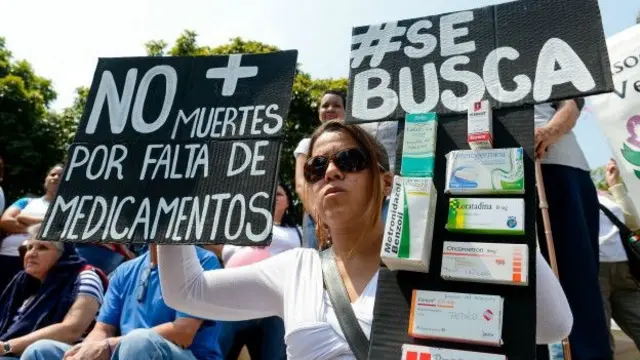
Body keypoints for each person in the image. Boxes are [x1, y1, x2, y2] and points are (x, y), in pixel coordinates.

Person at [158, 120, 573, 360]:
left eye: (349, 160)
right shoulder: (297, 269)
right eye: (316, 168)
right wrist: (167, 195)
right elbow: (186, 291)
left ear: (388, 182)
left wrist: (499, 214)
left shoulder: (442, 256)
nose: (331, 172)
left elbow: (554, 326)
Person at [22, 245, 223, 360]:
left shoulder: (205, 261)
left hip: (186, 355)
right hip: (124, 350)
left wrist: (109, 346)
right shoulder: (126, 269)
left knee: (138, 341)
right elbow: (103, 328)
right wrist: (88, 350)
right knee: (40, 351)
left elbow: (184, 333)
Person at [534, 99, 611, 360]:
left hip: (554, 163)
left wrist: (549, 132)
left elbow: (571, 101)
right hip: (489, 166)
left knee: (575, 278)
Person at [206, 182, 301, 360]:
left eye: (279, 194)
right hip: (230, 301)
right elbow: (206, 240)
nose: (273, 197)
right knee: (216, 355)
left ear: (288, 202)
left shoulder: (297, 232)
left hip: (272, 306)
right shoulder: (236, 229)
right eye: (268, 194)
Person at [0, 224, 106, 359]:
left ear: (63, 254)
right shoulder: (22, 283)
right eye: (29, 247)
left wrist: (7, 347)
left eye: (42, 247)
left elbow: (72, 330)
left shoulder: (85, 277)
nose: (32, 253)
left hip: (63, 353)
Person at [597, 158, 640, 354]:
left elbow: (632, 221)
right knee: (601, 336)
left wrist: (615, 184)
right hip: (596, 270)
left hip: (626, 269)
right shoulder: (568, 196)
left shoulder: (605, 194)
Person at [294, 90, 347, 249]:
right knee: (314, 268)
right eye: (325, 106)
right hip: (315, 215)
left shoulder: (354, 143)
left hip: (348, 213)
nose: (330, 109)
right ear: (319, 113)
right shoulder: (307, 144)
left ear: (345, 111)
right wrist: (320, 219)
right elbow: (301, 184)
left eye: (336, 105)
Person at [0, 165, 63, 293]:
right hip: (7, 256)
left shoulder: (67, 208)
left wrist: (24, 219)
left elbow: (61, 228)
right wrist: (45, 224)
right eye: (52, 174)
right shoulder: (26, 201)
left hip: (38, 261)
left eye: (61, 175)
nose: (55, 178)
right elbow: (5, 221)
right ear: (45, 179)